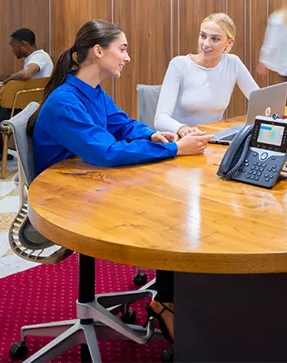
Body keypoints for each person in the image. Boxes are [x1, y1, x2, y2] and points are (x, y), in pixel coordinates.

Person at [30, 19, 211, 345]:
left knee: (175, 201)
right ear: (98, 51)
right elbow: (108, 153)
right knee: (169, 211)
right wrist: (172, 149)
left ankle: (169, 295)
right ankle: (165, 300)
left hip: (90, 184)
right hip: (66, 202)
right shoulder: (65, 102)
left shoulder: (92, 91)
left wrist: (152, 134)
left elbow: (124, 125)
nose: (127, 57)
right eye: (122, 48)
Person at [155, 13, 258, 136]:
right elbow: (160, 119)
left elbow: (259, 100)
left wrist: (274, 114)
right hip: (179, 139)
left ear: (229, 43)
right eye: (203, 36)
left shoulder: (233, 63)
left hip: (213, 138)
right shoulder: (179, 64)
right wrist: (182, 129)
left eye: (215, 39)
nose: (206, 44)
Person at [0, 28, 53, 125]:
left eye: (13, 46)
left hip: (19, 109)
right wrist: (0, 78)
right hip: (20, 106)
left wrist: (6, 82)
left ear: (23, 44)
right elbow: (22, 76)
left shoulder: (40, 57)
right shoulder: (36, 57)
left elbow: (26, 74)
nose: (12, 50)